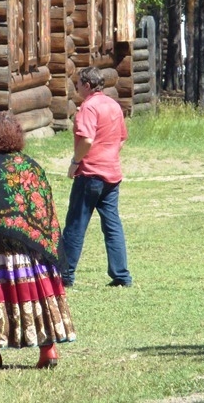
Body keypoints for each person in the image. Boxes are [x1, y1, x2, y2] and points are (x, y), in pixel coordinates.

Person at [0, 112, 75, 370]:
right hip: (33, 252)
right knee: (37, 293)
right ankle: (48, 351)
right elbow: (45, 210)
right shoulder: (32, 167)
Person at [61, 66, 131, 288]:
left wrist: (75, 163)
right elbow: (121, 138)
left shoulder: (88, 107)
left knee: (75, 225)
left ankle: (65, 276)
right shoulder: (113, 105)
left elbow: (88, 140)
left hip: (90, 174)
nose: (77, 88)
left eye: (78, 84)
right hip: (112, 174)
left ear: (87, 85)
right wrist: (109, 156)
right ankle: (121, 276)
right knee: (112, 225)